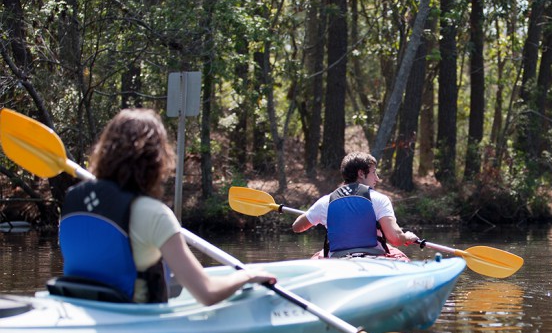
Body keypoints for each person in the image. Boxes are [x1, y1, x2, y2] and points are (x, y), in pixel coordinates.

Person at [57, 108, 274, 305]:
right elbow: (207, 293)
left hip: (80, 310)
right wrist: (246, 275)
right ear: (157, 159)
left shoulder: (72, 200)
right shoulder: (154, 214)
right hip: (134, 324)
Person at [292, 152, 419, 258]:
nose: (377, 178)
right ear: (361, 174)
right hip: (374, 257)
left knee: (319, 256)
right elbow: (395, 238)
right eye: (373, 172)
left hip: (338, 259)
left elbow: (297, 227)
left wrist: (318, 216)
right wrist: (407, 236)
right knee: (396, 254)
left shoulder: (325, 201)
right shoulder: (379, 199)